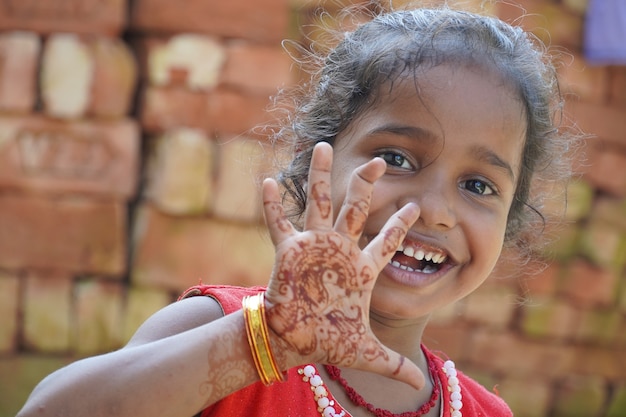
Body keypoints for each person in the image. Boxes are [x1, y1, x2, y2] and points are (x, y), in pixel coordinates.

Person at [17, 3, 576, 417]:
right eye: (396, 157)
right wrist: (262, 345)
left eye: (478, 185)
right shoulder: (218, 335)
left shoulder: (483, 412)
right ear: (316, 164)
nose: (433, 210)